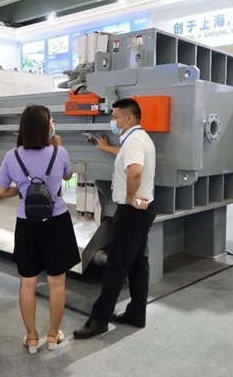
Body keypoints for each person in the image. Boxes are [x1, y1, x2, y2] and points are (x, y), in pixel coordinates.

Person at [0, 105, 79, 354]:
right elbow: (68, 176)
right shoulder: (60, 152)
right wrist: (57, 146)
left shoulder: (12, 156)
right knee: (57, 283)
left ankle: (32, 337)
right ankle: (53, 335)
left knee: (27, 282)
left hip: (26, 223)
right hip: (57, 221)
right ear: (46, 126)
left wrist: (22, 189)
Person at [74, 98, 157, 339]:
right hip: (143, 209)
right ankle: (136, 313)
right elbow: (127, 156)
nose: (112, 121)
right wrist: (106, 149)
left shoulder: (134, 141)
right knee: (138, 262)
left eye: (114, 116)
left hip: (132, 211)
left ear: (128, 118)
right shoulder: (138, 139)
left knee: (116, 266)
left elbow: (135, 171)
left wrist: (130, 198)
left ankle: (99, 320)